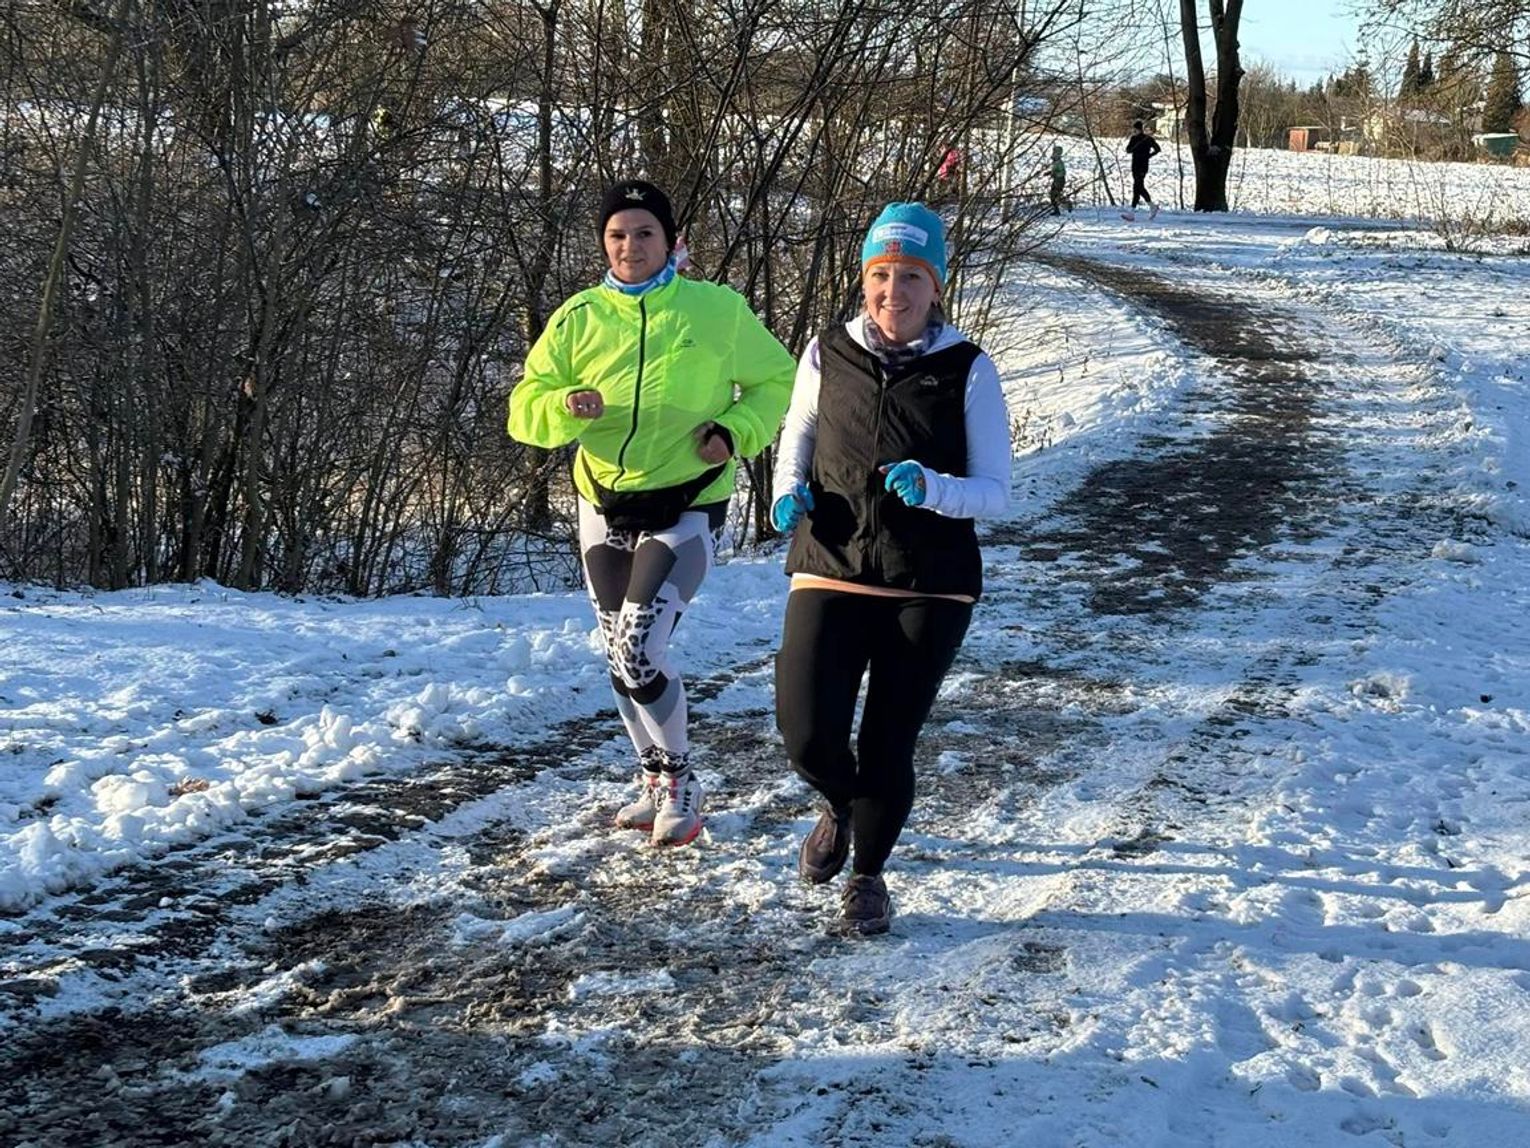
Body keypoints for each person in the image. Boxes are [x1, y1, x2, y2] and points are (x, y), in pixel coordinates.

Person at [508, 179, 795, 847]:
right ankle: (652, 778)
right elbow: (525, 408)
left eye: (644, 233)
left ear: (671, 241)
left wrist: (735, 431)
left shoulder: (715, 310)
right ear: (602, 244)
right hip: (604, 499)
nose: (630, 246)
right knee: (618, 651)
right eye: (617, 234)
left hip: (686, 499)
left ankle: (682, 782)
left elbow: (777, 378)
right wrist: (563, 406)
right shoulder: (578, 319)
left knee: (640, 647)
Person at [771, 203, 1011, 934]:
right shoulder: (827, 352)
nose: (893, 291)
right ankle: (840, 806)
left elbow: (996, 492)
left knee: (887, 741)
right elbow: (799, 433)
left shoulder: (967, 368)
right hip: (831, 561)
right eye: (881, 274)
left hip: (930, 580)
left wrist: (934, 488)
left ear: (936, 286)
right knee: (806, 733)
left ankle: (868, 878)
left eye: (911, 276)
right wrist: (786, 490)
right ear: (864, 279)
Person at [1125, 120, 1162, 217]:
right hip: (1135, 166)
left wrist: (1148, 156)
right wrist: (1135, 147)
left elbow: (1158, 149)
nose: (1134, 131)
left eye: (1135, 129)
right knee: (1138, 187)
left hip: (1142, 166)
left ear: (1139, 129)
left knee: (1138, 187)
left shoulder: (1147, 139)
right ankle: (1152, 207)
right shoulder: (1134, 139)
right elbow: (1128, 150)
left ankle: (1132, 212)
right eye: (1133, 129)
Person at [1048, 144, 1071, 215]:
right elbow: (1055, 170)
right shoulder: (1056, 162)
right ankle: (1057, 210)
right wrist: (1049, 173)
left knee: (1055, 195)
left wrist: (1055, 174)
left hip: (1059, 181)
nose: (1053, 154)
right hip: (1056, 180)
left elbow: (1063, 172)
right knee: (1054, 196)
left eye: (1054, 152)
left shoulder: (1059, 162)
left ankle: (1066, 205)